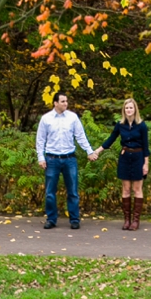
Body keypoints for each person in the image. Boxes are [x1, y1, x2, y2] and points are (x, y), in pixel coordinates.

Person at [35, 91, 96, 229]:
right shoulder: (46, 119)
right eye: (63, 101)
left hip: (69, 159)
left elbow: (80, 136)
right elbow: (40, 140)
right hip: (52, 159)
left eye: (66, 101)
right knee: (50, 192)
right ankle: (51, 219)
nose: (66, 104)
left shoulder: (73, 117)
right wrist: (41, 157)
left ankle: (74, 219)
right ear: (55, 103)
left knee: (73, 191)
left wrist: (89, 151)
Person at [91, 97, 150, 230]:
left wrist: (145, 164)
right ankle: (127, 220)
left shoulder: (142, 125)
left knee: (137, 189)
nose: (129, 110)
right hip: (124, 158)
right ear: (124, 110)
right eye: (127, 108)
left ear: (135, 109)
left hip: (138, 157)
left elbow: (146, 147)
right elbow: (111, 139)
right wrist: (98, 151)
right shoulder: (120, 125)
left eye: (131, 108)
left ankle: (136, 221)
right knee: (126, 189)